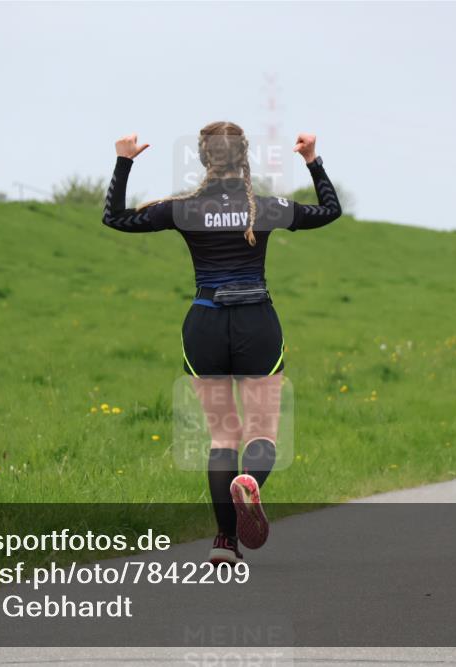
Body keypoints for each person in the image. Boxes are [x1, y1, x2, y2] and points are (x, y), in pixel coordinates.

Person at [101, 121, 342, 564]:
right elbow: (329, 210)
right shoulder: (266, 208)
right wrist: (312, 161)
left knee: (223, 436)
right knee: (261, 432)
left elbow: (115, 218)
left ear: (203, 158)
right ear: (244, 157)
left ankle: (225, 543)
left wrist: (123, 161)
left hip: (205, 324)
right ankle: (248, 483)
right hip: (257, 323)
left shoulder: (182, 209)